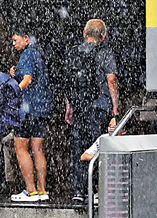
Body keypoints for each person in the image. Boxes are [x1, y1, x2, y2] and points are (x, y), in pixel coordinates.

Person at [65, 19, 120, 206]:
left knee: (79, 148)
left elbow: (68, 83)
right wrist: (115, 108)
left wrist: (69, 106)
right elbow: (111, 79)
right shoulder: (105, 53)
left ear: (84, 33)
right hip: (99, 107)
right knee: (97, 147)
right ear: (103, 36)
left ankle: (79, 191)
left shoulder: (73, 53)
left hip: (80, 107)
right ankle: (96, 190)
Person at [8, 27, 53, 204]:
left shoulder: (26, 54)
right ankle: (42, 190)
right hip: (41, 108)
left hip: (27, 108)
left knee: (21, 147)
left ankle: (30, 190)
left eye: (15, 40)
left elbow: (27, 79)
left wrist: (13, 92)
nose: (13, 44)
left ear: (26, 38)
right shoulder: (39, 54)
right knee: (38, 149)